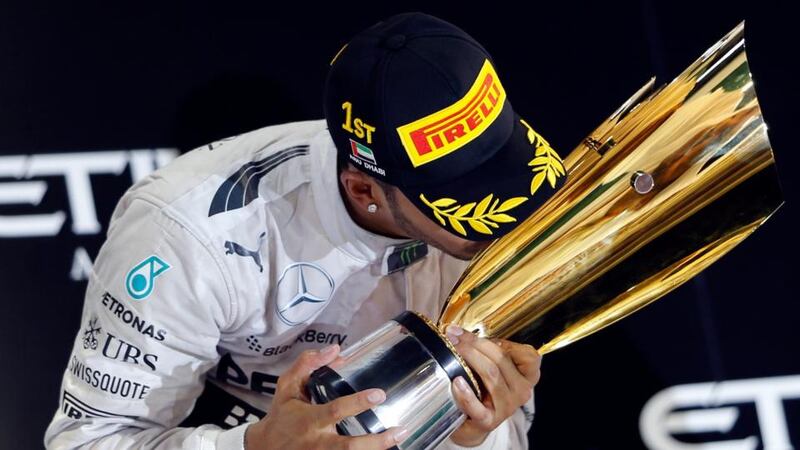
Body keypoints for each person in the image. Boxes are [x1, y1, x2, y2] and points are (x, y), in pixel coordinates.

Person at [44, 11, 567, 450]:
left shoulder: (494, 215)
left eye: (504, 163)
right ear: (364, 190)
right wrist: (255, 446)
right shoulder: (187, 233)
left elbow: (503, 431)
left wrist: (473, 433)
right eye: (465, 197)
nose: (509, 211)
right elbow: (87, 440)